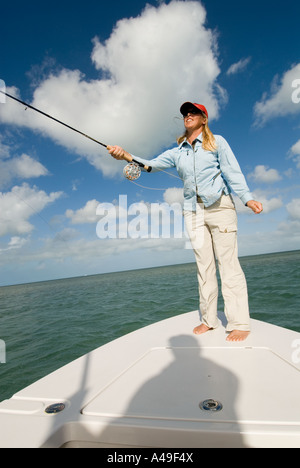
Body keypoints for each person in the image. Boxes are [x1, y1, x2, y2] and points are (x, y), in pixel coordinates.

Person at [107, 102, 263, 342]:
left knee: (229, 266)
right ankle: (209, 321)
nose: (188, 116)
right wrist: (125, 155)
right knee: (204, 269)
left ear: (203, 118)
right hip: (193, 212)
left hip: (220, 207)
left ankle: (239, 323)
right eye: (185, 114)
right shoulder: (177, 151)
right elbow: (151, 165)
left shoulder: (217, 142)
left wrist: (248, 199)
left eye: (193, 113)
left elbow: (233, 172)